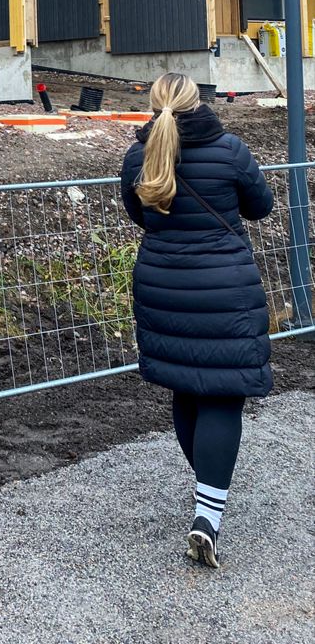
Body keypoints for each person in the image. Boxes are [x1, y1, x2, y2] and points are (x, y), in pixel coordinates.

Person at [120, 72, 274, 569]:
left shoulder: (136, 157)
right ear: (198, 101)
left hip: (163, 287)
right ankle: (208, 513)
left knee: (186, 388)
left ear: (155, 102)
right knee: (223, 395)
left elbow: (140, 217)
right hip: (225, 290)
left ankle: (209, 488)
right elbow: (261, 207)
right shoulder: (231, 149)